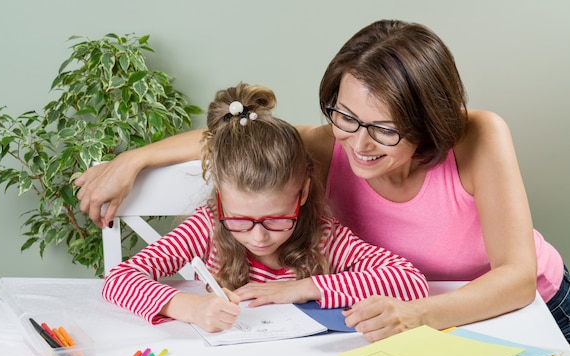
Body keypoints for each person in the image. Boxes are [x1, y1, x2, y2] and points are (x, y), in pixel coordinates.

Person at [77, 19, 570, 343]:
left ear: (428, 122)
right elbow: (239, 134)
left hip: (526, 311)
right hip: (398, 315)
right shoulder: (328, 143)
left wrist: (417, 316)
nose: (358, 144)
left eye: (385, 128)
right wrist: (133, 161)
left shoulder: (478, 136)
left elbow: (516, 279)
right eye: (346, 117)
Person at [101, 82, 429, 333]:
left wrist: (301, 288)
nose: (259, 237)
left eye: (276, 220)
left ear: (302, 193)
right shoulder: (209, 225)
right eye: (240, 220)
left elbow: (409, 281)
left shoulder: (323, 235)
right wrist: (189, 308)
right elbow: (119, 279)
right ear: (219, 201)